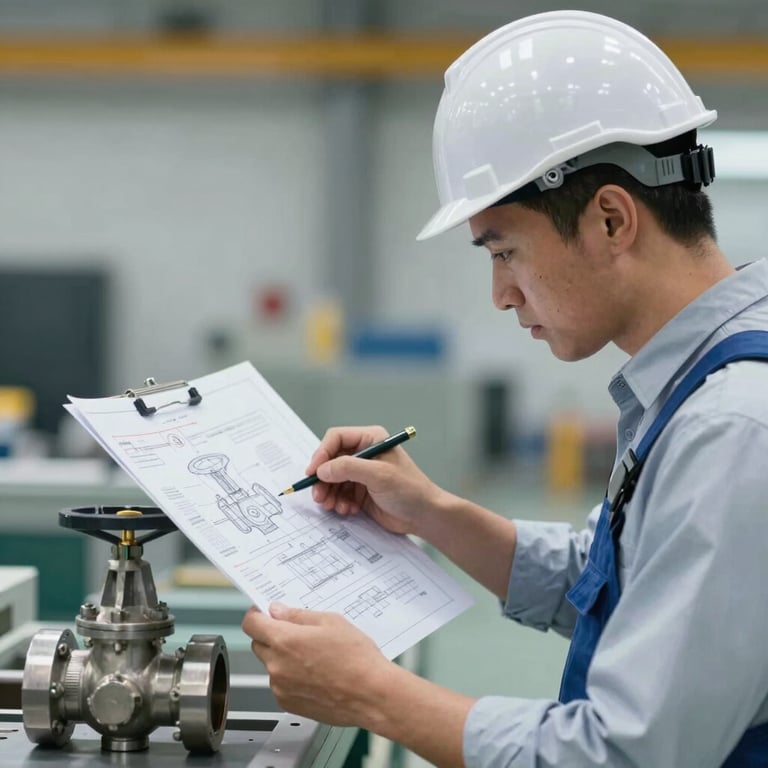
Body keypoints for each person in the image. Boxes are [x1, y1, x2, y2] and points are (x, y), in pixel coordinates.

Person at [242, 10, 768, 767]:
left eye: (505, 250)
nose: (502, 294)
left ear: (611, 220)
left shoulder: (732, 429)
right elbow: (611, 578)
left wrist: (371, 694)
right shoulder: (696, 387)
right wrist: (433, 513)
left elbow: (621, 757)